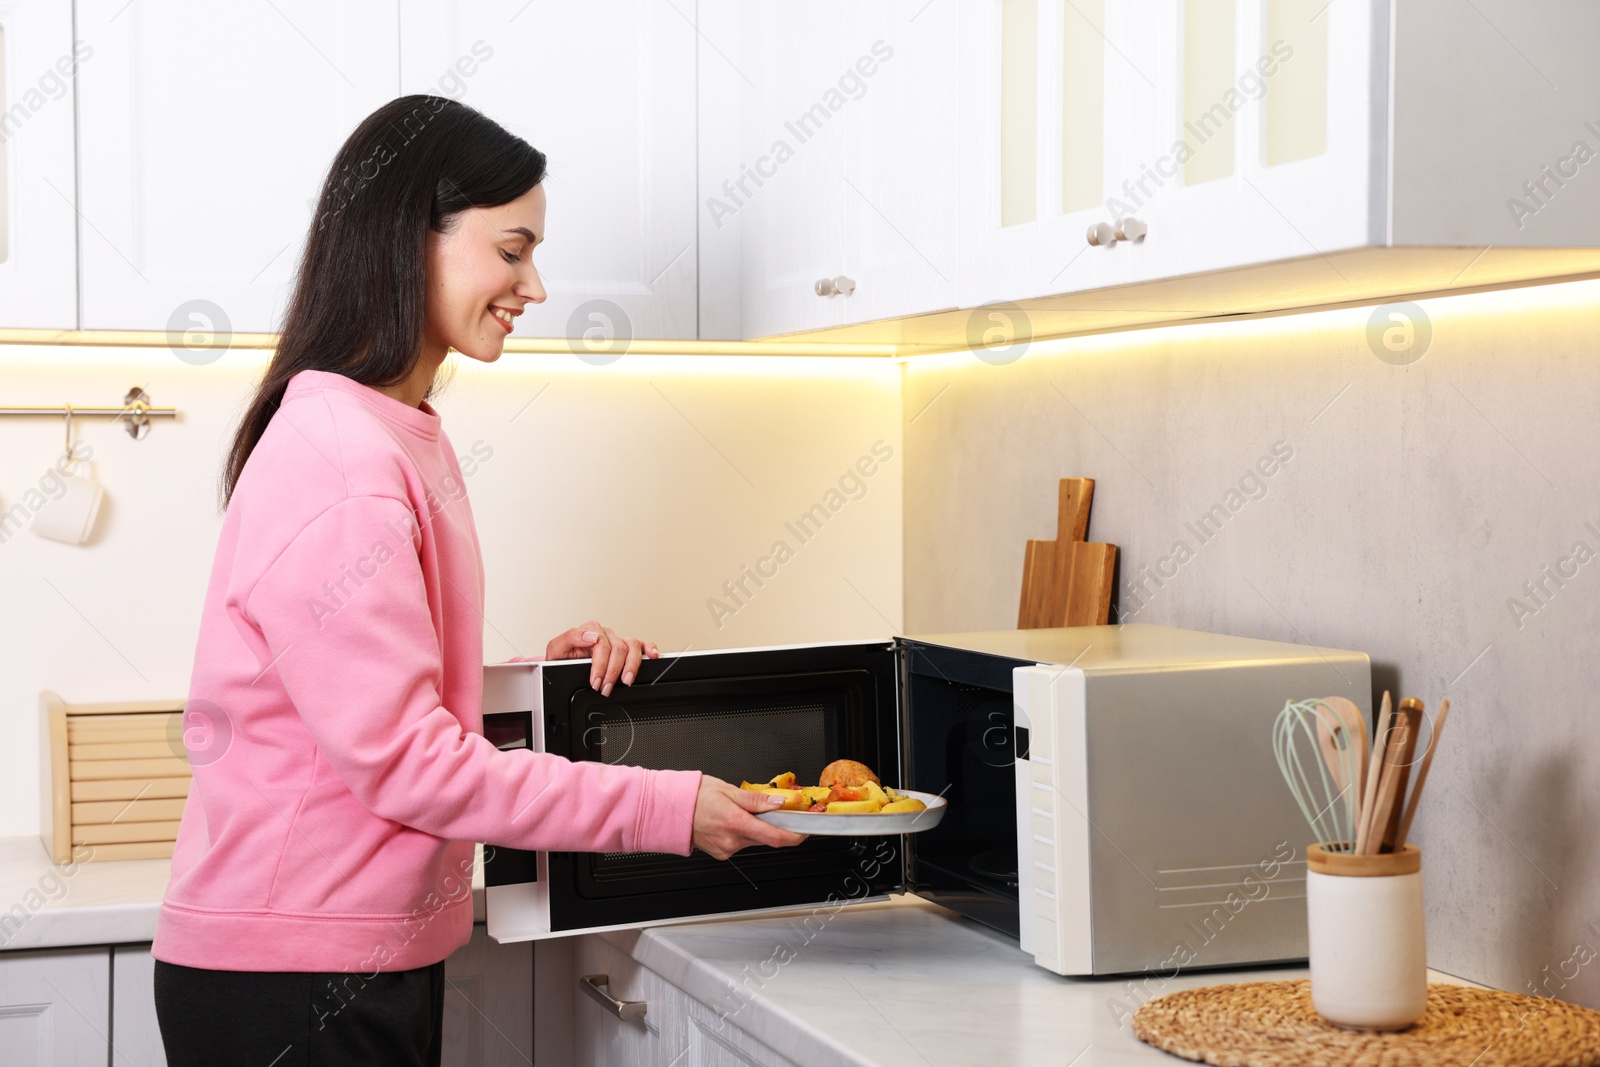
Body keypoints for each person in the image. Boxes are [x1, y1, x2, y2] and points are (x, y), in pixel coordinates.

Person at [150, 94, 805, 1066]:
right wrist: (667, 807)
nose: (533, 285)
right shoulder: (341, 457)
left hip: (352, 954)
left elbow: (368, 697)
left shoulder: (398, 436)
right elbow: (409, 764)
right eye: (512, 249)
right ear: (410, 238)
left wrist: (526, 682)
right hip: (290, 976)